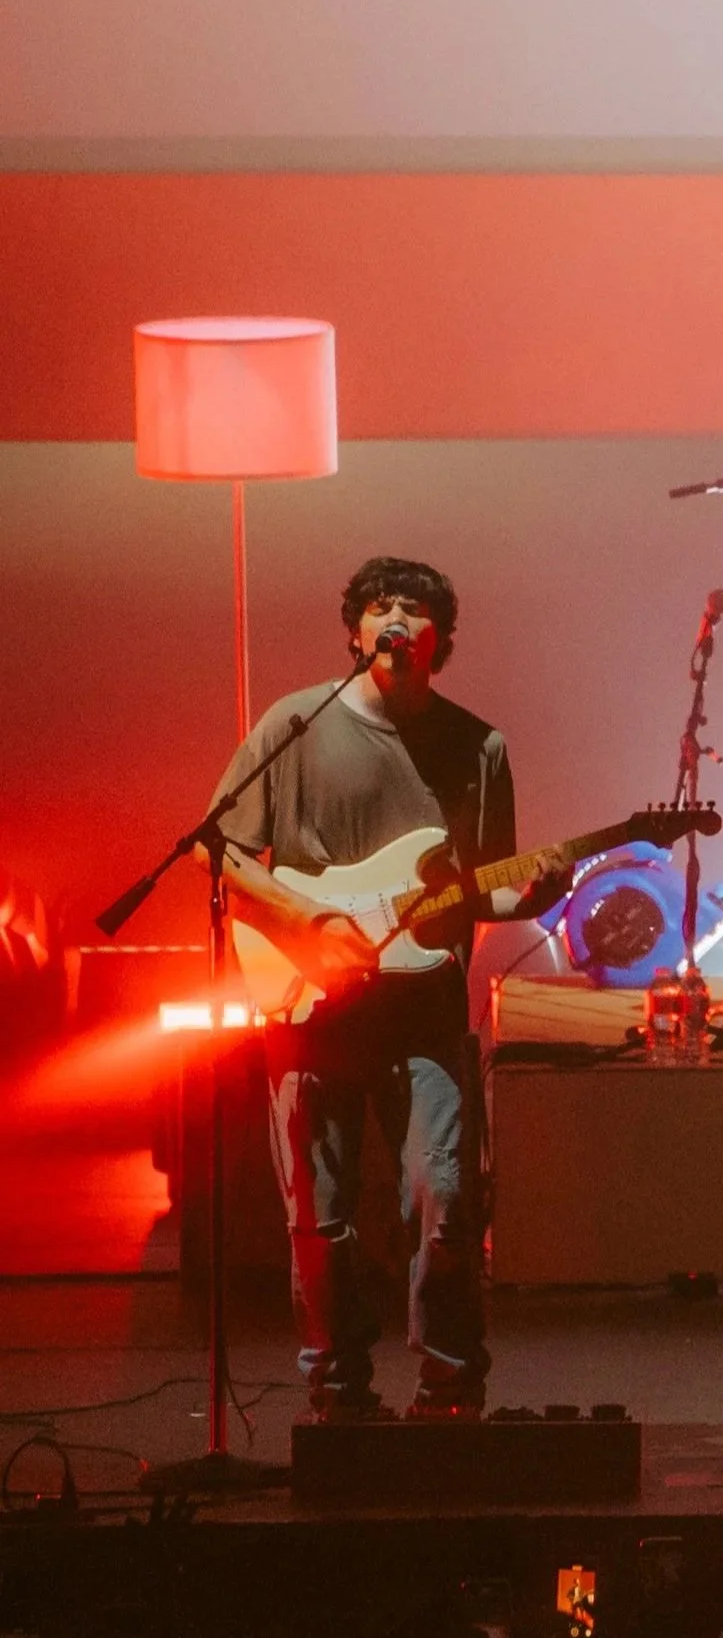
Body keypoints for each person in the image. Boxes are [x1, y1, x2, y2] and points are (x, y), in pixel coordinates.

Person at [210, 557, 565, 1418]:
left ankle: (449, 1389)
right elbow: (215, 851)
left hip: (423, 1011)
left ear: (440, 639)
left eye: (413, 608)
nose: (394, 619)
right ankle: (337, 1392)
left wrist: (543, 887)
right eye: (379, 607)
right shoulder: (295, 725)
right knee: (319, 1220)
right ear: (356, 631)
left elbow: (487, 883)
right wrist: (304, 921)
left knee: (442, 1201)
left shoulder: (478, 747)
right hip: (311, 1002)